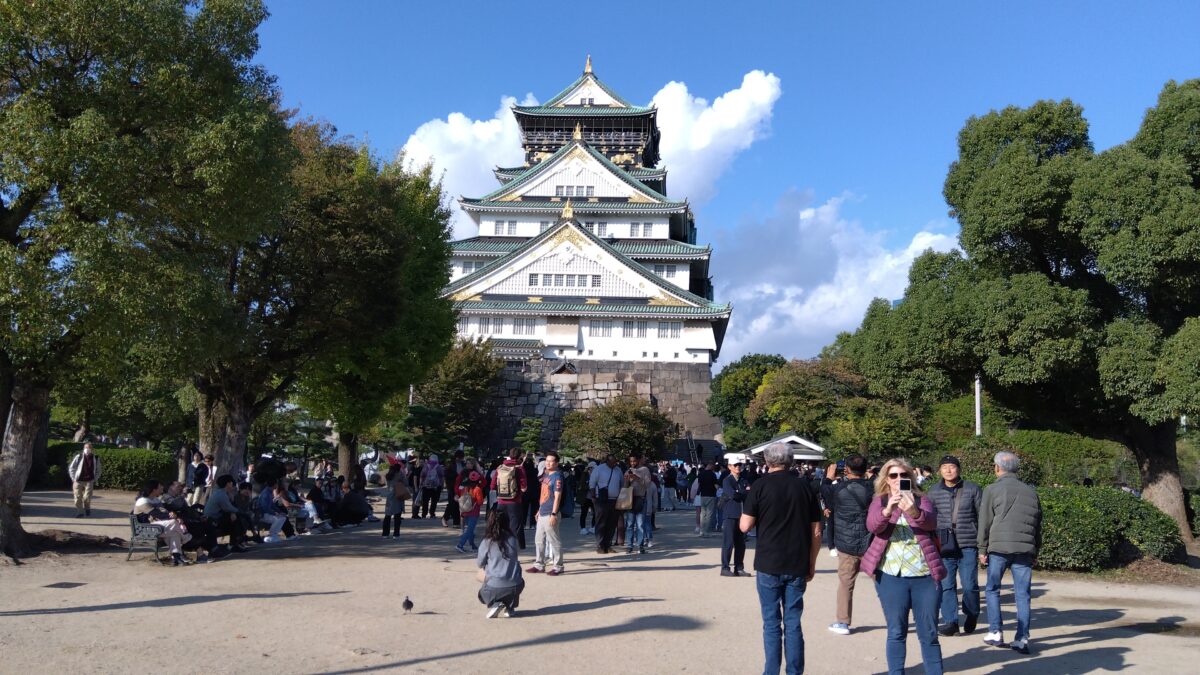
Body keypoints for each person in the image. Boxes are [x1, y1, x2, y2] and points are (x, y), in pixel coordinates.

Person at [739, 443, 822, 675]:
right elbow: (817, 530)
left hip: (768, 561)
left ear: (767, 462)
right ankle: (794, 672)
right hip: (797, 560)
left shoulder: (760, 486)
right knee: (793, 623)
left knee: (772, 623)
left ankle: (771, 671)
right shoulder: (804, 487)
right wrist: (812, 562)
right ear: (791, 460)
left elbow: (745, 526)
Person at [861, 458, 946, 675]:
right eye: (893, 475)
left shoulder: (921, 500)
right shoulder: (879, 501)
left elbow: (931, 523)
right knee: (896, 631)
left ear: (910, 477)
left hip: (924, 575)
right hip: (891, 575)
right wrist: (888, 510)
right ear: (886, 480)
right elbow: (872, 526)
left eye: (903, 475)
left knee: (929, 633)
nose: (899, 479)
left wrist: (914, 511)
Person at [979, 451, 1042, 655]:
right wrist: (1035, 550)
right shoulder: (1031, 492)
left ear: (997, 468)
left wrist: (982, 548)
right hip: (1025, 549)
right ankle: (1022, 638)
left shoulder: (991, 489)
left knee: (993, 589)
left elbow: (985, 522)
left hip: (999, 547)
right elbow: (1037, 524)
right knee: (1023, 595)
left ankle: (996, 632)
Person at [926, 454, 983, 636]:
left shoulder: (973, 489)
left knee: (969, 584)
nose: (949, 470)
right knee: (946, 585)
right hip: (944, 544)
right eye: (945, 467)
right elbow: (929, 518)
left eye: (952, 467)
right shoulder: (933, 492)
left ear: (959, 469)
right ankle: (951, 621)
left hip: (968, 543)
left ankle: (972, 612)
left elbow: (982, 516)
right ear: (939, 471)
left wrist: (983, 544)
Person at [828, 453, 874, 636]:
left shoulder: (837, 489)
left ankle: (843, 621)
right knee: (883, 581)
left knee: (846, 582)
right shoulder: (873, 489)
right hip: (869, 540)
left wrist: (828, 478)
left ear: (845, 469)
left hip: (845, 542)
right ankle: (896, 617)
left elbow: (822, 490)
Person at [476, 509, 525, 618]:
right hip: (515, 585)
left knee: (481, 593)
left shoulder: (487, 541)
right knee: (515, 574)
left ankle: (496, 603)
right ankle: (509, 606)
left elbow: (479, 563)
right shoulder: (513, 538)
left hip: (495, 586)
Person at [132, 479, 193, 566]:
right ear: (154, 490)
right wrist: (172, 517)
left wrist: (172, 514)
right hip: (144, 527)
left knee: (174, 533)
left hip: (156, 525)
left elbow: (164, 512)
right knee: (173, 522)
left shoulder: (156, 500)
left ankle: (176, 557)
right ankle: (187, 538)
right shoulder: (142, 501)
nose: (162, 490)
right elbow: (157, 514)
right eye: (160, 488)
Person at [528, 451, 565, 575]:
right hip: (543, 511)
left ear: (556, 463)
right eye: (547, 461)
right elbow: (543, 495)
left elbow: (557, 496)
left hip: (550, 513)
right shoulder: (546, 476)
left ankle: (558, 566)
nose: (548, 463)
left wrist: (554, 514)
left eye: (551, 461)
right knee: (539, 539)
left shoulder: (557, 477)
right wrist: (539, 510)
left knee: (554, 540)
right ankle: (539, 564)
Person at [491, 448, 529, 548]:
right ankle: (513, 549)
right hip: (514, 502)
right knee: (515, 527)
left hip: (501, 502)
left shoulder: (500, 467)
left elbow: (492, 486)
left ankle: (499, 548)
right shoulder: (519, 468)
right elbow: (524, 488)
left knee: (500, 526)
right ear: (520, 456)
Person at [202, 474, 247, 555]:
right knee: (239, 517)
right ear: (228, 484)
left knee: (236, 518)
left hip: (217, 517)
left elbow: (228, 508)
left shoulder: (222, 492)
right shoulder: (221, 495)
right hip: (212, 520)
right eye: (231, 482)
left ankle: (235, 542)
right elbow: (228, 508)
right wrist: (239, 512)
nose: (232, 484)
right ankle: (234, 544)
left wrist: (233, 512)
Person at [719, 460, 749, 577]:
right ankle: (725, 568)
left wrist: (740, 493)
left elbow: (748, 494)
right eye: (735, 465)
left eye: (739, 465)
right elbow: (733, 495)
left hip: (742, 515)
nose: (738, 467)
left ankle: (739, 568)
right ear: (730, 467)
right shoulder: (727, 480)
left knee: (741, 543)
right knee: (728, 542)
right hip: (730, 514)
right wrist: (742, 493)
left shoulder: (743, 480)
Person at [588, 454, 623, 554]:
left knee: (611, 523)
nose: (614, 464)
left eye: (615, 462)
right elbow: (592, 483)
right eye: (612, 462)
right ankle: (600, 545)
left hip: (614, 500)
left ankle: (608, 545)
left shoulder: (618, 470)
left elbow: (621, 484)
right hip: (601, 500)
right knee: (601, 523)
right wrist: (593, 497)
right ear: (607, 461)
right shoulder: (599, 469)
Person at [623, 454, 652, 555]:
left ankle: (640, 545)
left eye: (634, 461)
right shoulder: (628, 471)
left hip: (640, 498)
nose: (632, 463)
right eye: (631, 462)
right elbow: (625, 487)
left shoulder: (644, 470)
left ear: (638, 460)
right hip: (630, 499)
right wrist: (627, 480)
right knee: (630, 524)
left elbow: (647, 484)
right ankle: (629, 546)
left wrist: (637, 478)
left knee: (640, 524)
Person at [68, 443, 102, 517]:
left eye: (89, 448)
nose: (87, 449)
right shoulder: (79, 456)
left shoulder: (95, 458)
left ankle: (87, 508)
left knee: (87, 497)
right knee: (77, 497)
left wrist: (95, 478)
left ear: (92, 449)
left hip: (89, 480)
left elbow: (98, 470)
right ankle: (80, 512)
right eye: (86, 447)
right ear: (83, 448)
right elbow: (72, 468)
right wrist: (73, 478)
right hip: (78, 480)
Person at [456, 470, 485, 553]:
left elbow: (461, 497)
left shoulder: (465, 488)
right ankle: (460, 545)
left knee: (470, 529)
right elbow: (480, 502)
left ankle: (473, 545)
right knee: (469, 530)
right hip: (473, 512)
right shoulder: (477, 489)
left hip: (465, 511)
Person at [383, 463, 407, 539]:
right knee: (397, 516)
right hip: (398, 494)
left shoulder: (388, 474)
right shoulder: (400, 474)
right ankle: (396, 534)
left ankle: (385, 533)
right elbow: (406, 483)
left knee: (387, 515)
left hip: (390, 495)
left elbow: (387, 483)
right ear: (399, 468)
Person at [418, 454, 444, 519]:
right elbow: (442, 477)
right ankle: (432, 513)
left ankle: (424, 514)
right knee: (434, 501)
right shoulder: (439, 467)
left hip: (426, 486)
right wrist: (442, 485)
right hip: (436, 487)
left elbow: (422, 475)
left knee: (425, 501)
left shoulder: (426, 466)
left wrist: (420, 484)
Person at [697, 461, 719, 537]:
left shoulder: (700, 474)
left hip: (703, 495)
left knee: (703, 514)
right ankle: (707, 532)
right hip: (711, 495)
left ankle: (701, 531)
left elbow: (699, 484)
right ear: (711, 466)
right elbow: (716, 486)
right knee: (710, 514)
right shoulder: (712, 474)